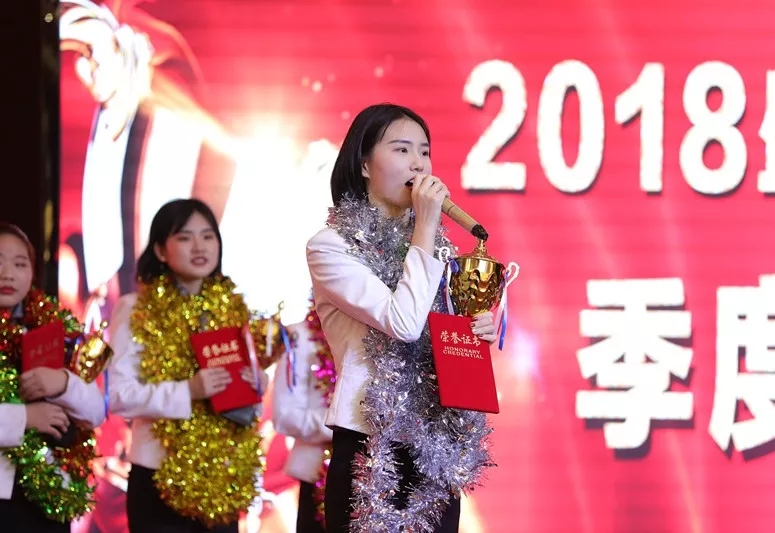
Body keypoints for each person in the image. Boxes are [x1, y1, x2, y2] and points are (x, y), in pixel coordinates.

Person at [306, 103, 497, 533]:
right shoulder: (331, 247)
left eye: (424, 151)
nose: (418, 164)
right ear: (364, 165)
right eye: (401, 149)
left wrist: (476, 330)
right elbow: (404, 323)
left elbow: (442, 336)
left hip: (433, 448)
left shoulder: (438, 252)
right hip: (369, 445)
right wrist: (425, 226)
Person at [107, 198, 271, 533]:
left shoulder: (232, 310)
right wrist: (188, 391)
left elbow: (244, 403)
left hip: (221, 479)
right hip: (159, 478)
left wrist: (255, 384)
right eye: (184, 237)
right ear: (160, 250)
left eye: (208, 236)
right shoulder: (135, 308)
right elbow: (120, 396)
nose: (199, 246)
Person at [0, 222, 106, 532]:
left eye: (20, 264)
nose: (8, 274)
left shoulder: (54, 328)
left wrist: (63, 383)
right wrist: (26, 417)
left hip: (50, 493)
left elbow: (96, 413)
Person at [272, 298, 335, 533]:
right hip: (317, 477)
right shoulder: (301, 336)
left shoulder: (374, 336)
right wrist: (345, 424)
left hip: (377, 479)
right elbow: (285, 415)